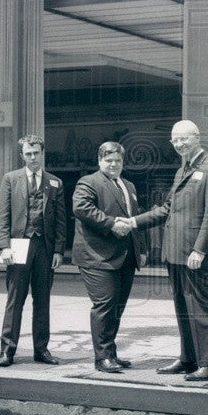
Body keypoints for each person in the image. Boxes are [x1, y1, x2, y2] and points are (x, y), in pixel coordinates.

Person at [128, 120, 208, 381]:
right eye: (175, 140)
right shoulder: (181, 170)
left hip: (194, 255)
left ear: (197, 138)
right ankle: (189, 358)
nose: (179, 144)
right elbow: (166, 210)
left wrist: (200, 250)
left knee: (202, 308)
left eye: (184, 139)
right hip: (174, 253)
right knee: (183, 308)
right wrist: (133, 222)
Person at [71, 141, 147, 373]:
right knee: (104, 305)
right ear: (99, 160)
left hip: (126, 256)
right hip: (97, 255)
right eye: (109, 160)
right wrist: (111, 224)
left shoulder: (129, 185)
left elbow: (135, 218)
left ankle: (111, 353)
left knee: (117, 307)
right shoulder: (89, 182)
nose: (114, 165)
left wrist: (141, 249)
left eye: (118, 161)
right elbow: (81, 208)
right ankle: (102, 357)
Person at [0, 134, 66, 367]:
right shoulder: (10, 179)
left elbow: (61, 220)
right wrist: (3, 246)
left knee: (43, 299)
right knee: (15, 300)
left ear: (42, 153)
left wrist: (58, 250)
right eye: (28, 154)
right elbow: (3, 215)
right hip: (18, 245)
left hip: (44, 247)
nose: (33, 158)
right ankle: (7, 350)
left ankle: (41, 349)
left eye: (36, 153)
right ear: (21, 155)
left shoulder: (54, 182)